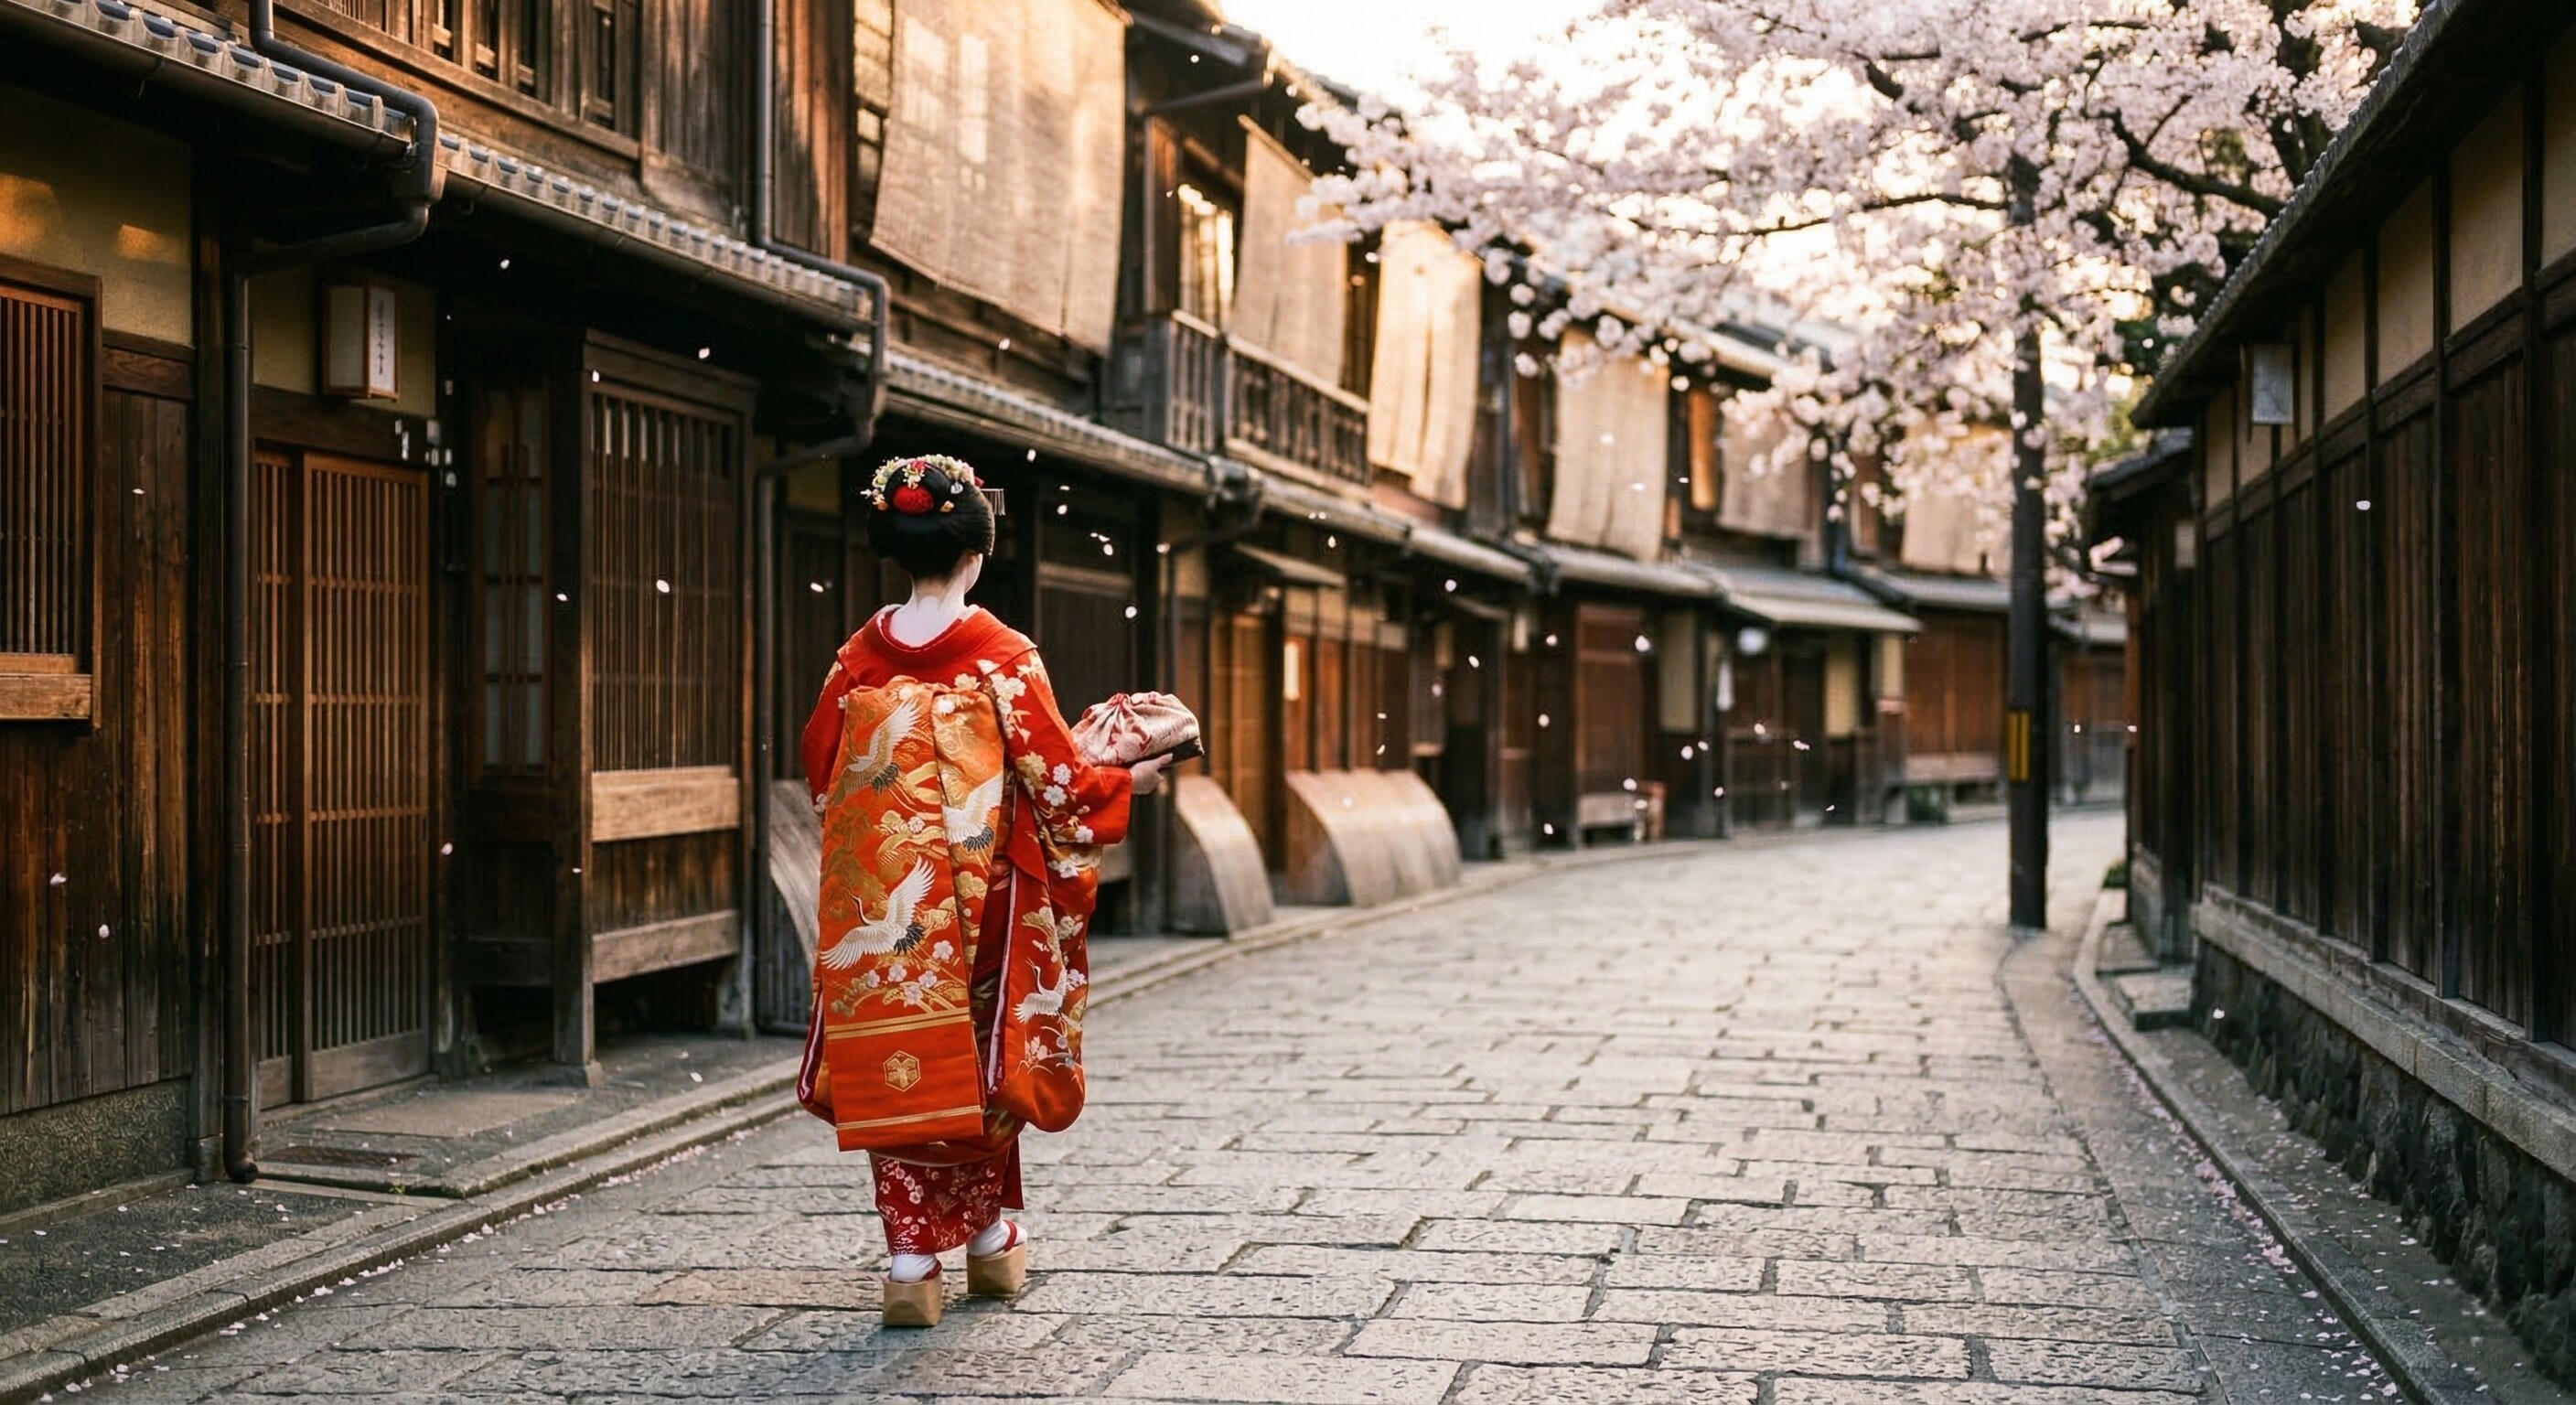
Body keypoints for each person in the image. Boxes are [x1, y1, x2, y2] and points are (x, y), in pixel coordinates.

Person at [799, 454, 1170, 1327]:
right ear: (976, 555)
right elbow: (1059, 785)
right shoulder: (1001, 658)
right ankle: (982, 1245)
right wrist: (1130, 781)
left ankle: (917, 1257)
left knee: (901, 1068)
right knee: (985, 1067)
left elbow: (823, 777)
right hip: (981, 902)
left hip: (883, 898)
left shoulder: (857, 660)